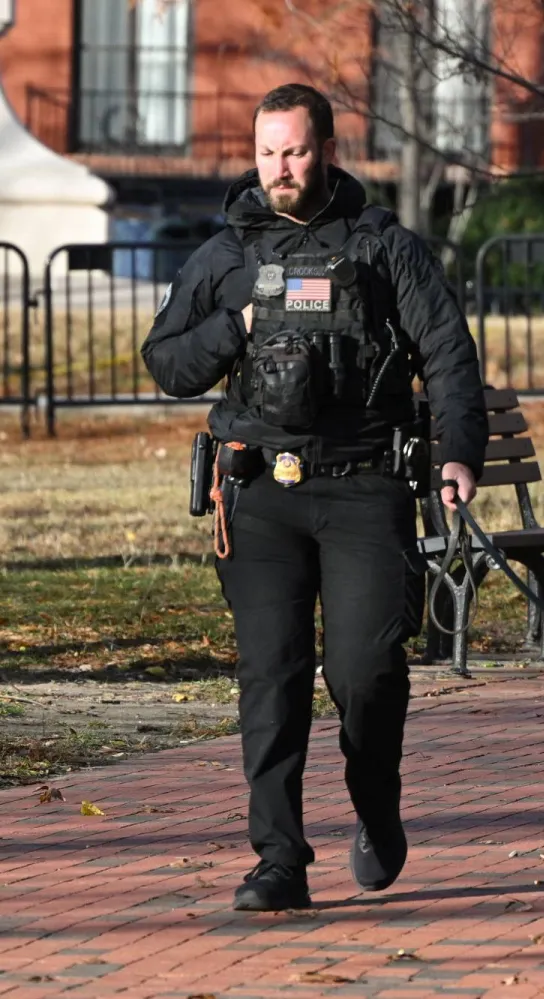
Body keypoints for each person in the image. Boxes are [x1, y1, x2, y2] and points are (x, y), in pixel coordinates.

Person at [141, 84, 487, 910]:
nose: (279, 168)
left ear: (327, 149)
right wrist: (238, 327)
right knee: (273, 675)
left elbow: (447, 352)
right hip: (259, 491)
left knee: (364, 672)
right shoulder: (226, 254)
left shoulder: (382, 247)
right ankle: (279, 860)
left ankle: (376, 802)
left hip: (363, 485)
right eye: (266, 152)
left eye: (294, 151)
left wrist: (459, 454)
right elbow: (164, 362)